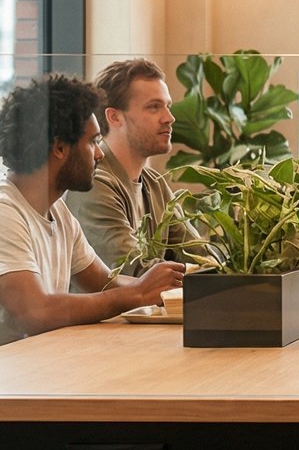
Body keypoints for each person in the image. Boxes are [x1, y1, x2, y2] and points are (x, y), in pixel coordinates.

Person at [0, 74, 185, 345]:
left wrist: (160, 285)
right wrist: (137, 294)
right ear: (60, 147)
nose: (99, 154)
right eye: (93, 142)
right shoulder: (6, 212)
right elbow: (34, 311)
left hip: (40, 369)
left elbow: (104, 282)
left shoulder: (59, 214)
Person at [76, 58, 178, 272]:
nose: (169, 118)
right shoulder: (92, 183)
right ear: (114, 117)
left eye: (167, 106)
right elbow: (135, 271)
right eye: (154, 107)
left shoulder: (155, 185)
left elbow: (202, 258)